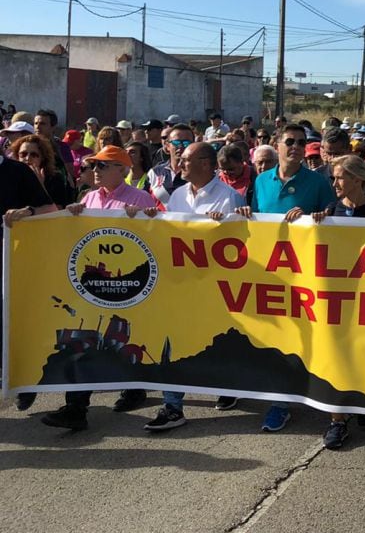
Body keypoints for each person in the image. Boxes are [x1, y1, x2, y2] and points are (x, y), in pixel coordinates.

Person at [38, 146, 157, 430]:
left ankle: (135, 387)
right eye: (93, 166)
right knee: (86, 341)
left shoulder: (140, 197)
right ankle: (76, 407)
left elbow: (160, 234)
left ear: (122, 169)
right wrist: (72, 215)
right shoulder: (89, 197)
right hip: (94, 287)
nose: (95, 171)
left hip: (129, 285)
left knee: (123, 337)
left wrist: (145, 218)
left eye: (102, 166)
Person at [140, 142, 246, 431]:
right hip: (182, 287)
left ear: (205, 163)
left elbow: (240, 245)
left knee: (219, 344)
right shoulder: (177, 196)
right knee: (173, 345)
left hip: (215, 289)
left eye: (185, 160)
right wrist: (153, 222)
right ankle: (172, 407)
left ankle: (231, 385)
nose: (179, 165)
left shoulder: (229, 198)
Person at [237, 124, 335, 432]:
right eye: (289, 141)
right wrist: (241, 214)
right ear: (277, 145)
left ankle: (295, 398)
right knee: (275, 339)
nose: (295, 146)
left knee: (303, 338)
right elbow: (254, 219)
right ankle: (278, 399)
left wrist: (317, 218)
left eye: (301, 143)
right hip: (270, 274)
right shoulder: (262, 180)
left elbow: (334, 219)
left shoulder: (318, 182)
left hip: (305, 275)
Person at [306, 155, 365, 449]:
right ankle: (337, 422)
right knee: (337, 356)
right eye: (334, 178)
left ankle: (364, 403)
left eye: (340, 177)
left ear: (357, 179)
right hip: (337, 298)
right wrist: (310, 223)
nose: (335, 183)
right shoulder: (330, 209)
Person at [10, 134, 72, 207]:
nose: (27, 158)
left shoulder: (54, 178)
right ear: (17, 156)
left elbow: (57, 210)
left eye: (34, 155)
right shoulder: (9, 177)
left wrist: (41, 186)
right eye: (23, 154)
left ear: (42, 158)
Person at [148, 124, 195, 207]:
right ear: (167, 145)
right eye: (176, 142)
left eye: (186, 143)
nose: (180, 146)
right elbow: (141, 201)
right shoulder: (155, 172)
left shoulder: (201, 173)